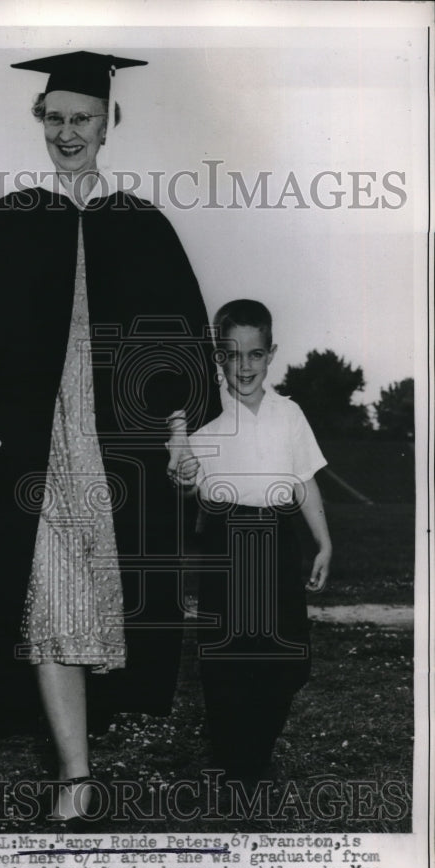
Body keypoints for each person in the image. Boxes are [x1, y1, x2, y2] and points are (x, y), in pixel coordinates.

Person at [0, 51, 220, 820]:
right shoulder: (11, 221)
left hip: (118, 446)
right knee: (46, 599)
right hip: (40, 443)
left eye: (83, 119)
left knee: (114, 597)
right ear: (41, 122)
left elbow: (179, 342)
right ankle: (75, 773)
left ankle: (90, 740)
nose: (69, 133)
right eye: (55, 118)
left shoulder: (142, 227)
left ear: (109, 124)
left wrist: (177, 432)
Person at [176, 298, 332, 782]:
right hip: (224, 541)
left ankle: (256, 754)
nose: (244, 366)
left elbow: (305, 481)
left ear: (271, 354)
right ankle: (230, 759)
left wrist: (323, 543)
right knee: (227, 657)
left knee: (283, 658)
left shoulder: (289, 414)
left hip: (278, 540)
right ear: (217, 357)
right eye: (232, 354)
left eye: (255, 354)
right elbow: (184, 486)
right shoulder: (202, 418)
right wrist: (182, 471)